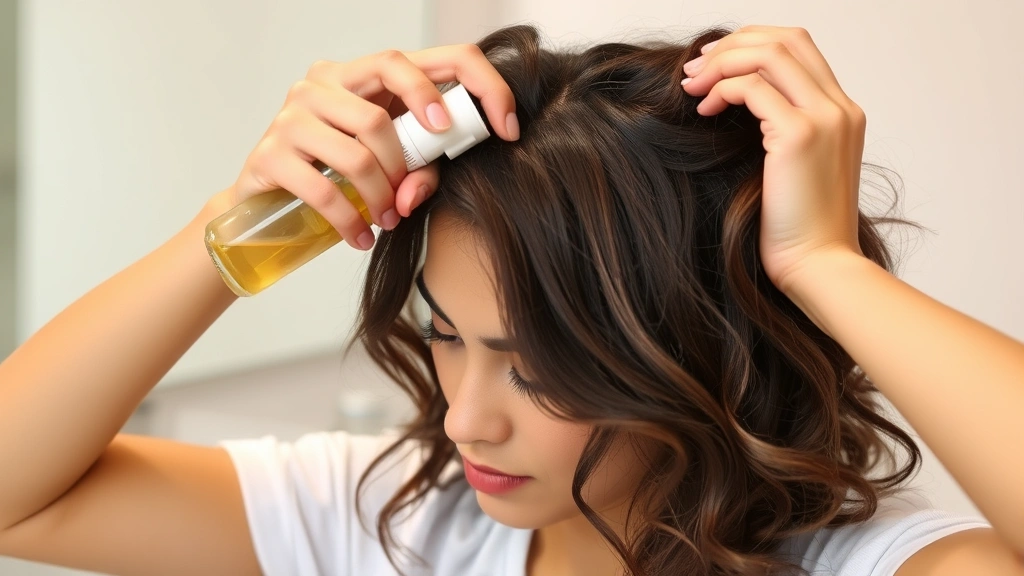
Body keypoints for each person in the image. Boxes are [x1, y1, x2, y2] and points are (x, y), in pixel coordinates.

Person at [0, 21, 1021, 576]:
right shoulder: (395, 526)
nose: (463, 417)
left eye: (537, 367)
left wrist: (821, 266)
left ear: (699, 347)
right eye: (447, 336)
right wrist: (237, 228)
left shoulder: (865, 567)